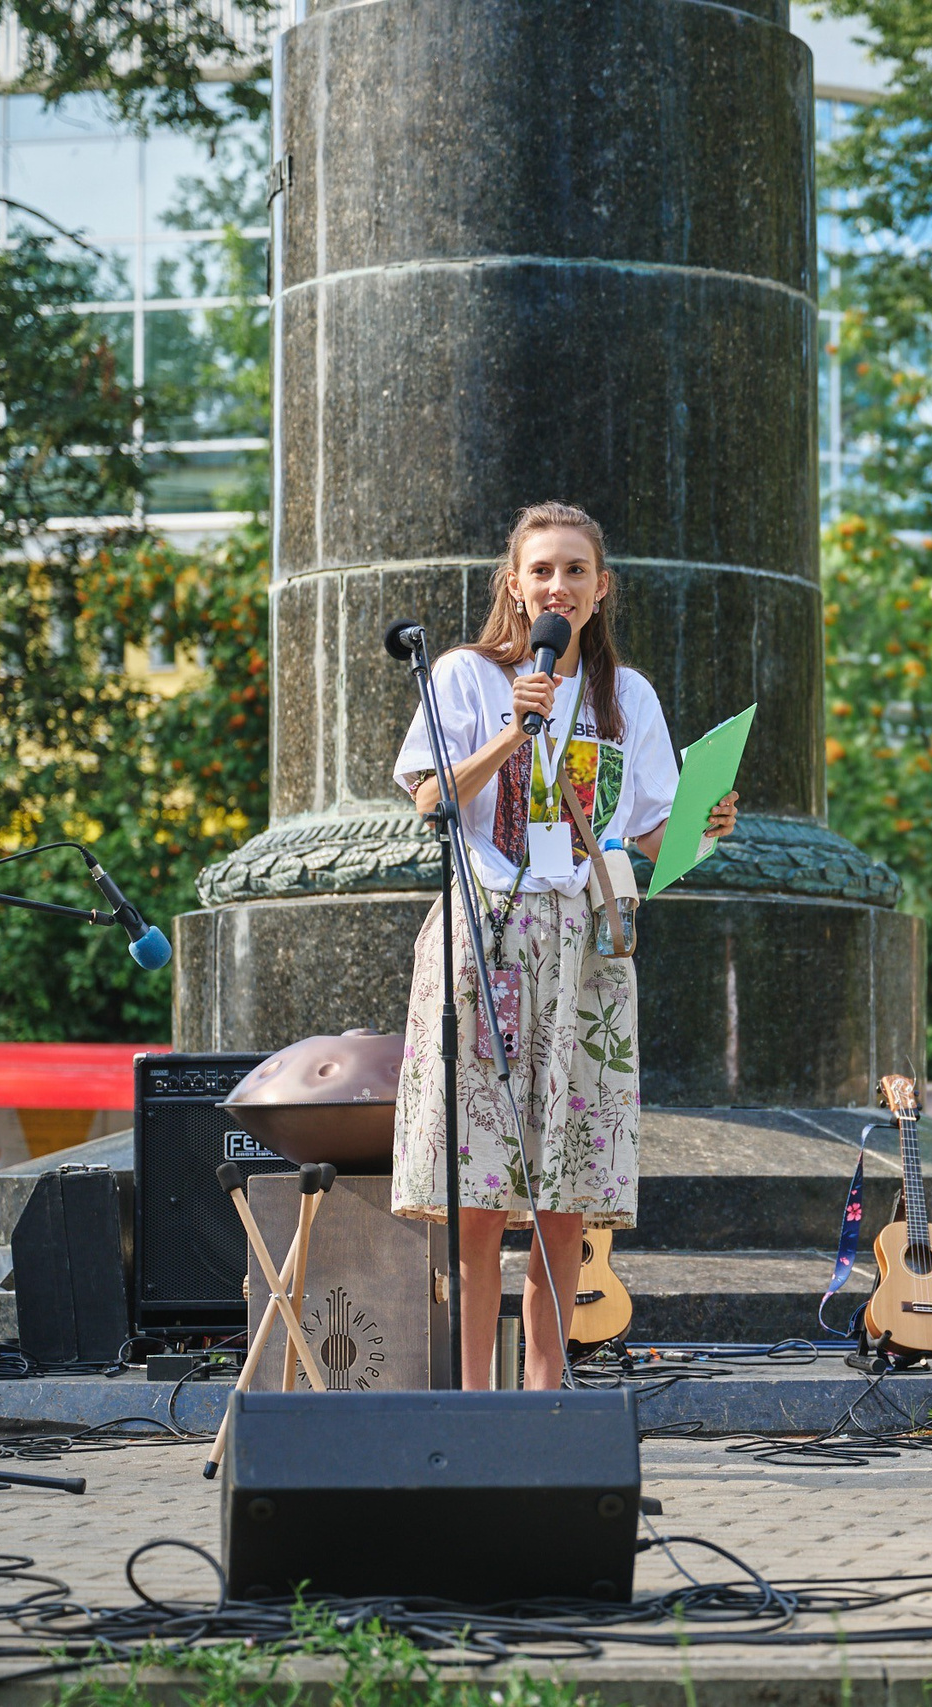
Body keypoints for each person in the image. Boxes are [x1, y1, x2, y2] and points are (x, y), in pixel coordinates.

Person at [389, 502, 738, 1390]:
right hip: (488, 938)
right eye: (542, 569)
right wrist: (517, 726)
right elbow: (430, 801)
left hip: (585, 944)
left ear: (601, 587)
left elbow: (654, 845)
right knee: (479, 1188)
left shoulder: (630, 698)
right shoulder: (467, 677)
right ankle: (472, 1402)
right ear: (515, 582)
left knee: (565, 1193)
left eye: (575, 570)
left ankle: (547, 1400)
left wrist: (706, 825)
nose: (558, 585)